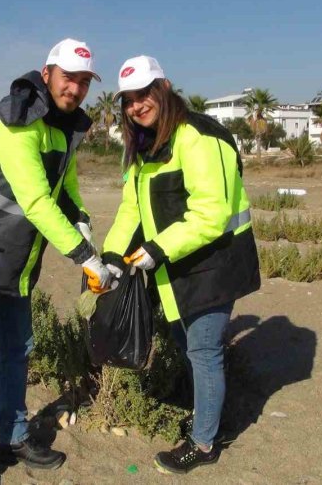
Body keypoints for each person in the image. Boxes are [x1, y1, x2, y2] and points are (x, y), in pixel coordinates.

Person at [0, 38, 113, 484]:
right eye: (68, 78)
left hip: (18, 258)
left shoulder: (65, 125)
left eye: (83, 82)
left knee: (18, 350)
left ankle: (13, 438)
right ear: (47, 72)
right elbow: (35, 200)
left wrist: (81, 217)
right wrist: (84, 257)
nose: (74, 89)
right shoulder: (18, 119)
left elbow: (65, 182)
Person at [99, 55, 260, 474]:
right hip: (174, 268)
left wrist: (156, 249)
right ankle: (205, 414)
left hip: (213, 265)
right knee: (188, 347)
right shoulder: (144, 146)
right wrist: (112, 257)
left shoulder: (198, 136)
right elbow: (130, 208)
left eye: (144, 93)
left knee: (203, 350)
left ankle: (204, 443)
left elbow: (212, 213)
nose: (137, 105)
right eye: (129, 100)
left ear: (165, 87)